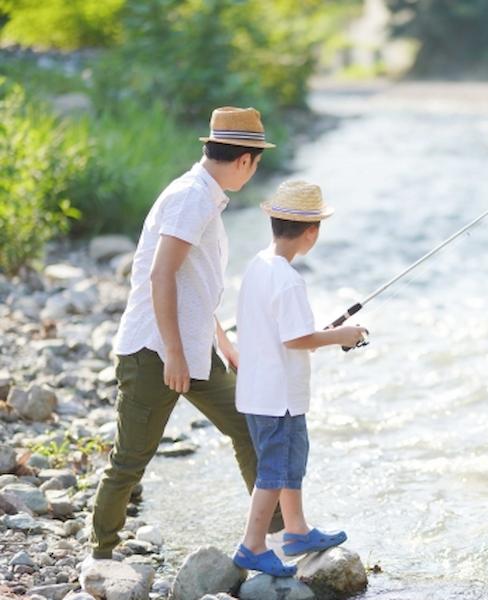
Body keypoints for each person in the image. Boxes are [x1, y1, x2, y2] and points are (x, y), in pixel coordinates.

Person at [89, 106, 284, 560]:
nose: (253, 173)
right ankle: (99, 555)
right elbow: (161, 275)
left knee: (249, 428)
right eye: (256, 164)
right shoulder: (191, 198)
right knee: (130, 459)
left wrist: (222, 340)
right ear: (244, 160)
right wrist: (174, 354)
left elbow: (192, 284)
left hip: (192, 348)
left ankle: (272, 538)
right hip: (154, 349)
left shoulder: (204, 196)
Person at [231, 180, 368, 576]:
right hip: (278, 396)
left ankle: (296, 530)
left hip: (262, 390)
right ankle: (252, 545)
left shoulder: (259, 265)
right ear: (312, 231)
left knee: (292, 461)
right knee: (274, 471)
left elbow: (284, 332)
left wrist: (317, 335)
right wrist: (341, 335)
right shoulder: (289, 279)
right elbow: (298, 339)